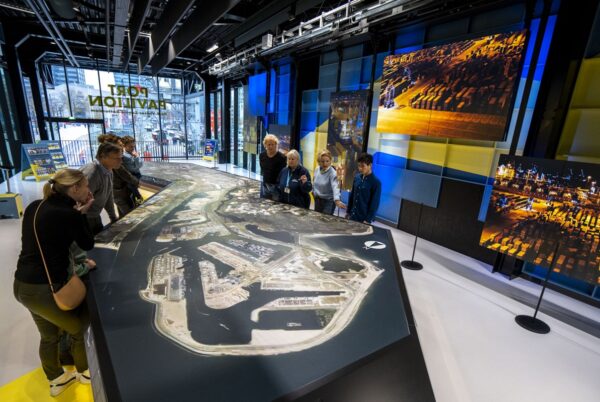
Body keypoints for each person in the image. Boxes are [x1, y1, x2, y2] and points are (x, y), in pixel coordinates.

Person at [13, 169, 95, 397]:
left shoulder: (35, 206)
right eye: (86, 186)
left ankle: (56, 379)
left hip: (22, 285)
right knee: (78, 329)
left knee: (49, 335)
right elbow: (87, 243)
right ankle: (85, 372)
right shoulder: (68, 214)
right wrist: (82, 214)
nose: (89, 190)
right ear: (75, 188)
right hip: (45, 289)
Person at [80, 142, 122, 234]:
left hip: (94, 215)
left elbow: (108, 196)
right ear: (103, 156)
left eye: (121, 158)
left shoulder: (108, 170)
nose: (120, 161)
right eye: (117, 158)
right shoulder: (92, 172)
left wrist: (113, 217)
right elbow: (80, 201)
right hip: (85, 218)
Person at [98, 134, 141, 217]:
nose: (122, 147)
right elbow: (124, 173)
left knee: (122, 212)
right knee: (130, 215)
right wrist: (136, 182)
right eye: (120, 145)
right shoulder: (114, 161)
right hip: (119, 192)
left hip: (118, 191)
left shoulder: (110, 161)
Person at [346, 153, 381, 224]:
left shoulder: (376, 182)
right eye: (359, 166)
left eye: (362, 166)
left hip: (363, 219)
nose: (360, 168)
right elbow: (352, 196)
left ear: (370, 165)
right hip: (352, 215)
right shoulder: (356, 177)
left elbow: (374, 204)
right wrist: (348, 212)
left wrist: (368, 220)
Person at [313, 149, 345, 215]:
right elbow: (314, 183)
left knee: (325, 220)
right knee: (317, 219)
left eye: (327, 161)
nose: (325, 163)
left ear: (330, 161)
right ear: (319, 161)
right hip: (318, 200)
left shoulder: (332, 173)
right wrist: (314, 192)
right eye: (322, 161)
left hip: (328, 201)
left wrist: (337, 200)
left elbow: (335, 187)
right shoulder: (317, 170)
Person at [259, 134, 287, 201]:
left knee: (275, 205)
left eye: (272, 144)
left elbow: (283, 173)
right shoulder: (262, 155)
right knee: (264, 203)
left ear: (276, 145)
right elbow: (262, 168)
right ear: (265, 145)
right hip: (265, 184)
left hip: (277, 187)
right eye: (269, 144)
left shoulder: (282, 157)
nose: (270, 146)